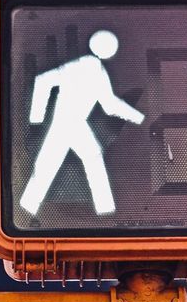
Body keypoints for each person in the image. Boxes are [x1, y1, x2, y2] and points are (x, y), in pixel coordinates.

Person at [19, 29, 145, 217]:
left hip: (74, 122)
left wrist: (37, 117)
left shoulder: (91, 69)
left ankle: (104, 209)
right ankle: (29, 207)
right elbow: (110, 105)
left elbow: (109, 104)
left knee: (80, 159)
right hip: (66, 122)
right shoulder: (83, 69)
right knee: (55, 163)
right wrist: (36, 117)